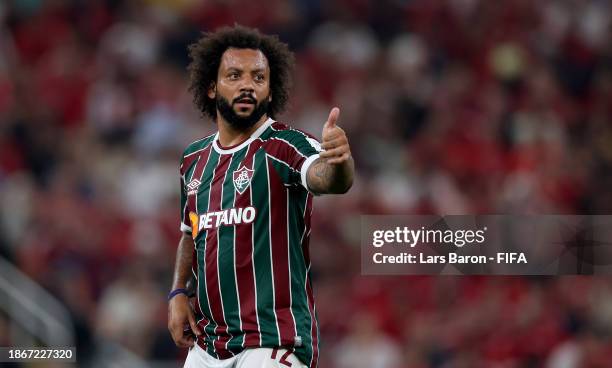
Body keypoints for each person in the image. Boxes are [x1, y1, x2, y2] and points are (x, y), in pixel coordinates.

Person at [167, 25, 354, 368]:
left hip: (272, 341)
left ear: (270, 91)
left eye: (258, 77)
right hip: (209, 346)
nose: (247, 86)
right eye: (234, 75)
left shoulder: (285, 147)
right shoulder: (193, 161)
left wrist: (338, 162)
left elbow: (327, 178)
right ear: (211, 87)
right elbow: (189, 232)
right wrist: (178, 292)